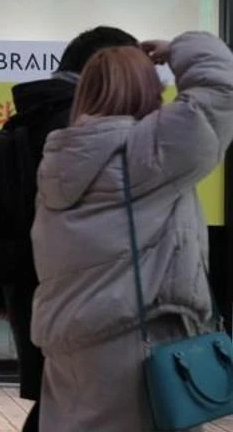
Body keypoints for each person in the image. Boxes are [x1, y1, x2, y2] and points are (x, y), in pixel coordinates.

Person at [30, 32, 233, 431]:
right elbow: (222, 88)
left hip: (69, 353)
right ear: (147, 91)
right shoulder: (146, 151)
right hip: (137, 349)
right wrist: (177, 48)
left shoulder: (60, 160)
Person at [0, 26, 139, 432]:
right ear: (103, 69)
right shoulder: (76, 125)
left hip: (33, 287)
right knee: (71, 402)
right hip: (73, 292)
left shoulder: (30, 115)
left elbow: (8, 207)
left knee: (59, 402)